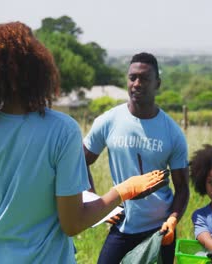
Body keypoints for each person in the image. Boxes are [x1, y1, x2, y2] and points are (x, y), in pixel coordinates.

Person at [0, 22, 167, 263]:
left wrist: (14, 206)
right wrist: (124, 191)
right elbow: (73, 223)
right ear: (39, 69)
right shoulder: (62, 129)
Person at [83, 52, 190, 264]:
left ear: (157, 84)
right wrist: (96, 204)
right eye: (132, 78)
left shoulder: (172, 132)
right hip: (122, 226)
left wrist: (172, 220)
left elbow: (183, 188)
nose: (137, 84)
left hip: (159, 230)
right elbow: (78, 163)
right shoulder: (109, 121)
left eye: (144, 79)